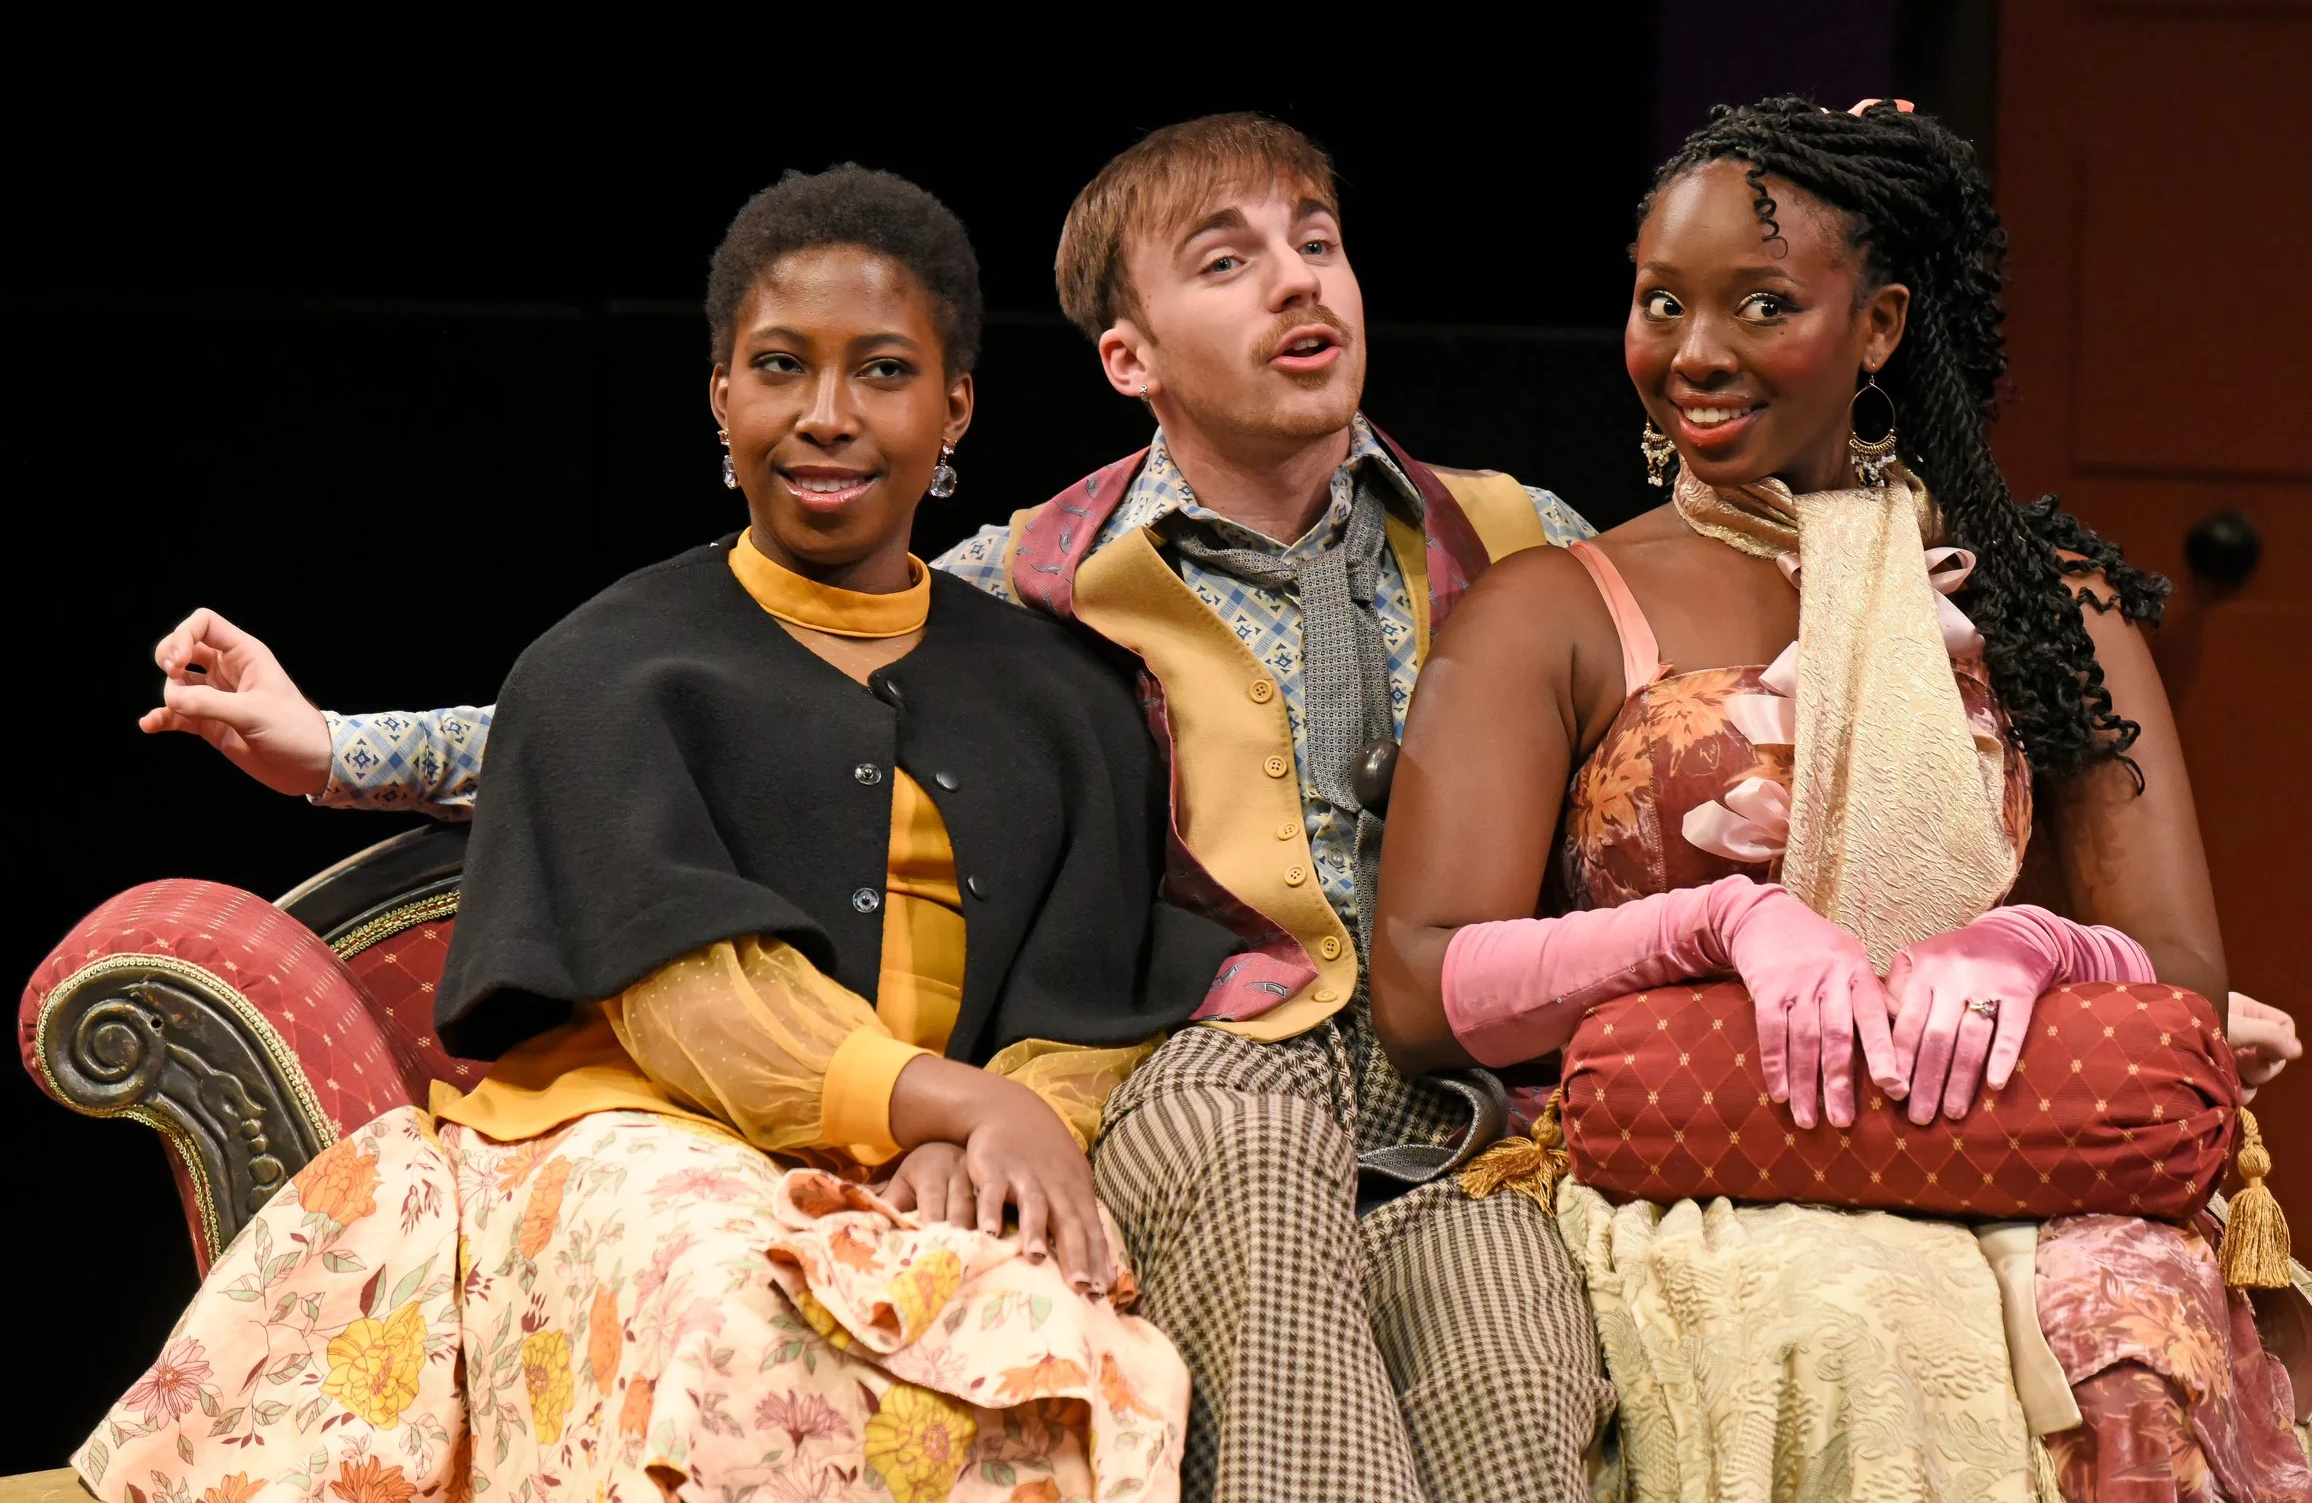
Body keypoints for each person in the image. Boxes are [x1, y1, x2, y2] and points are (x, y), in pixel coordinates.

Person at [139, 115, 1614, 1503]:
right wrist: (332, 746)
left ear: (955, 401)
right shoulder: (1043, 583)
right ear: (1126, 352)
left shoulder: (1496, 541)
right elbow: (591, 736)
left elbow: (1697, 713)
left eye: (1316, 242)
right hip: (1182, 1082)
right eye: (1227, 261)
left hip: (1449, 1109)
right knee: (1190, 1222)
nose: (1295, 282)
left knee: (1506, 1360)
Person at [95, 164, 1233, 1503]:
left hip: (935, 1157)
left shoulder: (1062, 694)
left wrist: (996, 1131)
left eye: (881, 371)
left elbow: (1084, 997)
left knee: (1063, 1344)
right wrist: (944, 1099)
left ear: (955, 406)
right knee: (734, 1314)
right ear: (719, 395)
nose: (826, 415)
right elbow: (696, 1005)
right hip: (639, 1139)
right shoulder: (605, 669)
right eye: (777, 367)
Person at [1372, 97, 2312, 1502]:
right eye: (1660, 305)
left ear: (1878, 328)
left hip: (2013, 1164)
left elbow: (2184, 970)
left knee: (2148, 1359)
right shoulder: (1549, 612)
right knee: (1845, 1354)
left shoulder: (2041, 609)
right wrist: (1717, 927)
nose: (1695, 354)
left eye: (1763, 305)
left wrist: (2029, 945)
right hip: (1697, 1187)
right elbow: (1416, 981)